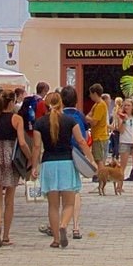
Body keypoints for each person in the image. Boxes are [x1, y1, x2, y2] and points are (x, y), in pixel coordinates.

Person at [36, 85, 87, 248]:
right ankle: (64, 225)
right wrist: (91, 160)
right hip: (67, 163)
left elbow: (36, 147)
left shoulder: (39, 123)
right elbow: (81, 141)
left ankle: (56, 239)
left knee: (52, 205)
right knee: (69, 203)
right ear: (61, 104)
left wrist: (33, 166)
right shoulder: (70, 120)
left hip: (48, 163)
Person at [0, 88, 29, 247]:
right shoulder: (17, 119)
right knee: (9, 200)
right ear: (13, 102)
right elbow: (22, 142)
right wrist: (30, 157)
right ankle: (6, 236)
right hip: (11, 159)